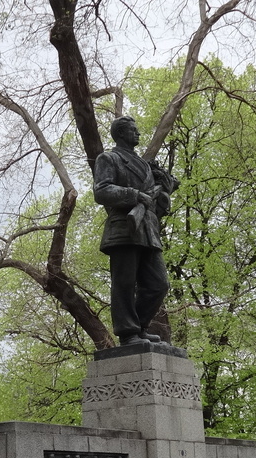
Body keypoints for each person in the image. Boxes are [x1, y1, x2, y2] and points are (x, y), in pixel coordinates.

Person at [93, 116, 179, 346]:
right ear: (121, 134)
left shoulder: (144, 165)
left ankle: (140, 327)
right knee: (125, 283)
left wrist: (163, 194)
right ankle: (128, 332)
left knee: (159, 284)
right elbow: (101, 191)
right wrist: (134, 195)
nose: (138, 133)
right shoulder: (109, 158)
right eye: (133, 130)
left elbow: (155, 201)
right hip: (124, 229)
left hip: (148, 231)